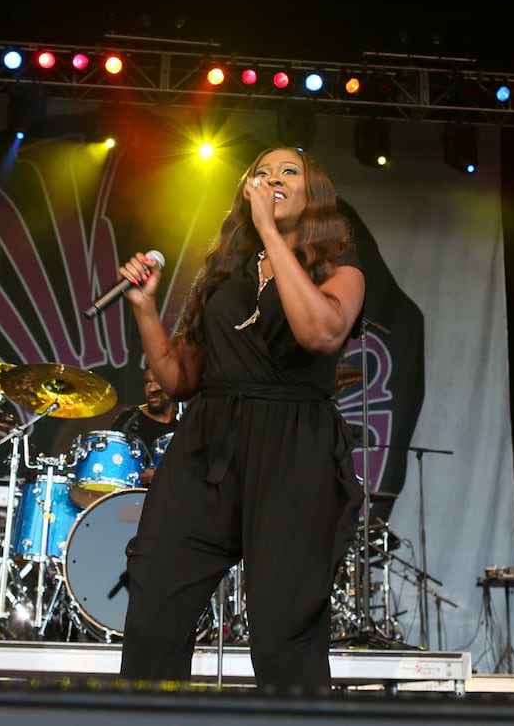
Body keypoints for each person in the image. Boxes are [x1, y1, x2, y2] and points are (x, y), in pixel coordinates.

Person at [111, 146, 365, 692]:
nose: (272, 177)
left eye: (288, 171)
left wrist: (271, 235)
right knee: (154, 602)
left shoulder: (343, 273)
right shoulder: (225, 278)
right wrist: (144, 307)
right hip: (208, 444)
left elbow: (320, 333)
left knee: (282, 632)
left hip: (293, 448)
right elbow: (179, 379)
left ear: (314, 193)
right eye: (261, 173)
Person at [111, 363, 179, 485]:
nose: (151, 389)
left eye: (158, 382)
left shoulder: (184, 423)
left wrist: (156, 475)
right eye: (147, 382)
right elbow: (114, 466)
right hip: (132, 500)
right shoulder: (128, 420)